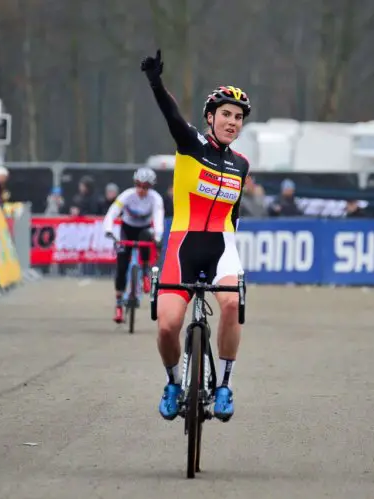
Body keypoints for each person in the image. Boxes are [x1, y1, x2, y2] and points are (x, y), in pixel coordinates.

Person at [141, 49, 250, 422]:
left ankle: (225, 386)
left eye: (238, 117)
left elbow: (234, 215)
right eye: (225, 115)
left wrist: (233, 259)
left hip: (222, 246)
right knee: (168, 325)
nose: (232, 122)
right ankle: (173, 382)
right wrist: (156, 81)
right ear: (210, 117)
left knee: (232, 304)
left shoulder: (241, 164)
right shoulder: (190, 144)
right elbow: (170, 113)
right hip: (183, 245)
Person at [103, 167, 165, 324]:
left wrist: (158, 236)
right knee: (122, 266)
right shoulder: (127, 195)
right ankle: (118, 304)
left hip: (144, 230)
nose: (141, 190)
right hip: (127, 230)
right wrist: (109, 230)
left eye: (145, 187)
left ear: (150, 187)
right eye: (139, 185)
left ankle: (145, 271)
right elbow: (112, 213)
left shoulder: (155, 199)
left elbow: (158, 218)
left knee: (146, 237)